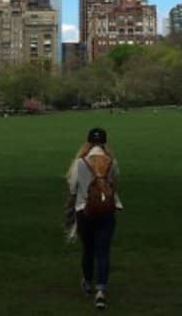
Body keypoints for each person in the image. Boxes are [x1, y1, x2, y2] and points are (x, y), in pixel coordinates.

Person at [66, 127, 122, 311]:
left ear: (88, 142)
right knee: (103, 251)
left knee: (88, 250)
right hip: (107, 210)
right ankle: (101, 291)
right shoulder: (111, 161)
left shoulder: (80, 162)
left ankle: (88, 282)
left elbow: (73, 188)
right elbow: (115, 182)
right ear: (104, 142)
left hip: (85, 210)